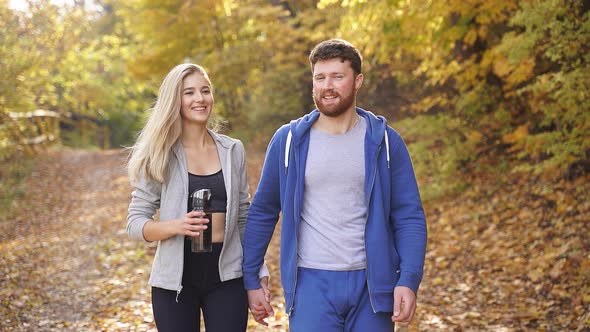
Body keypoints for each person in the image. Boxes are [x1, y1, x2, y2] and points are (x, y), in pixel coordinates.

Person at [242, 39, 427, 331]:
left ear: (358, 81)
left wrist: (408, 279)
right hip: (310, 285)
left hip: (373, 286)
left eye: (337, 77)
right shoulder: (288, 141)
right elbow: (264, 211)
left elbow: (409, 216)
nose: (327, 85)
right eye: (320, 77)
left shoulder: (386, 142)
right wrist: (251, 278)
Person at [126, 63, 269, 332]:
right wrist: (175, 226)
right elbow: (134, 223)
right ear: (175, 101)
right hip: (174, 285)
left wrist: (258, 274)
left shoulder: (232, 150)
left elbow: (244, 220)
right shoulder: (160, 154)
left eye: (205, 91)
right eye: (189, 92)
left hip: (227, 279)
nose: (200, 99)